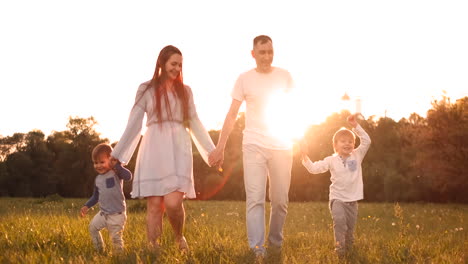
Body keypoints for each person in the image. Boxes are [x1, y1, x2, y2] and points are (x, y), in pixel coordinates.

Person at [111, 45, 215, 251]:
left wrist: (211, 151)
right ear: (161, 63)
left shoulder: (185, 92)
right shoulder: (146, 89)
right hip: (154, 148)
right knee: (154, 205)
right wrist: (118, 154)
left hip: (178, 149)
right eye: (173, 64)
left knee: (174, 203)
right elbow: (133, 123)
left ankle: (179, 237)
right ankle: (153, 248)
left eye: (180, 65)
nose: (177, 68)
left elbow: (195, 121)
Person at [209, 35, 295, 257]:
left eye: (270, 52)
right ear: (253, 54)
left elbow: (293, 110)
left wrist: (299, 140)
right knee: (255, 198)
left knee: (280, 200)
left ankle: (275, 243)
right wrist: (220, 147)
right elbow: (232, 114)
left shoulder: (285, 76)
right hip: (254, 144)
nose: (267, 56)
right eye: (262, 52)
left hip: (282, 144)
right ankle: (257, 249)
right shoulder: (244, 79)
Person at [300, 114, 371, 258]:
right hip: (337, 199)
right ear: (335, 145)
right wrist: (305, 157)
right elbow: (314, 168)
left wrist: (355, 126)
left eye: (350, 141)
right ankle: (340, 251)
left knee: (350, 230)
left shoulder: (357, 156)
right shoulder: (331, 160)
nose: (347, 144)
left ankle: (349, 252)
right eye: (343, 141)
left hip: (352, 201)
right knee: (340, 223)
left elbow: (367, 141)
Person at [80, 143, 133, 253]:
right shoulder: (98, 179)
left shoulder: (116, 173)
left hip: (117, 214)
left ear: (111, 160)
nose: (98, 165)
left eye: (102, 162)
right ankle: (100, 250)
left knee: (115, 238)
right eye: (95, 163)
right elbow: (96, 196)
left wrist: (117, 165)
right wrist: (87, 205)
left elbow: (128, 177)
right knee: (92, 228)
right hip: (103, 213)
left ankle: (120, 258)